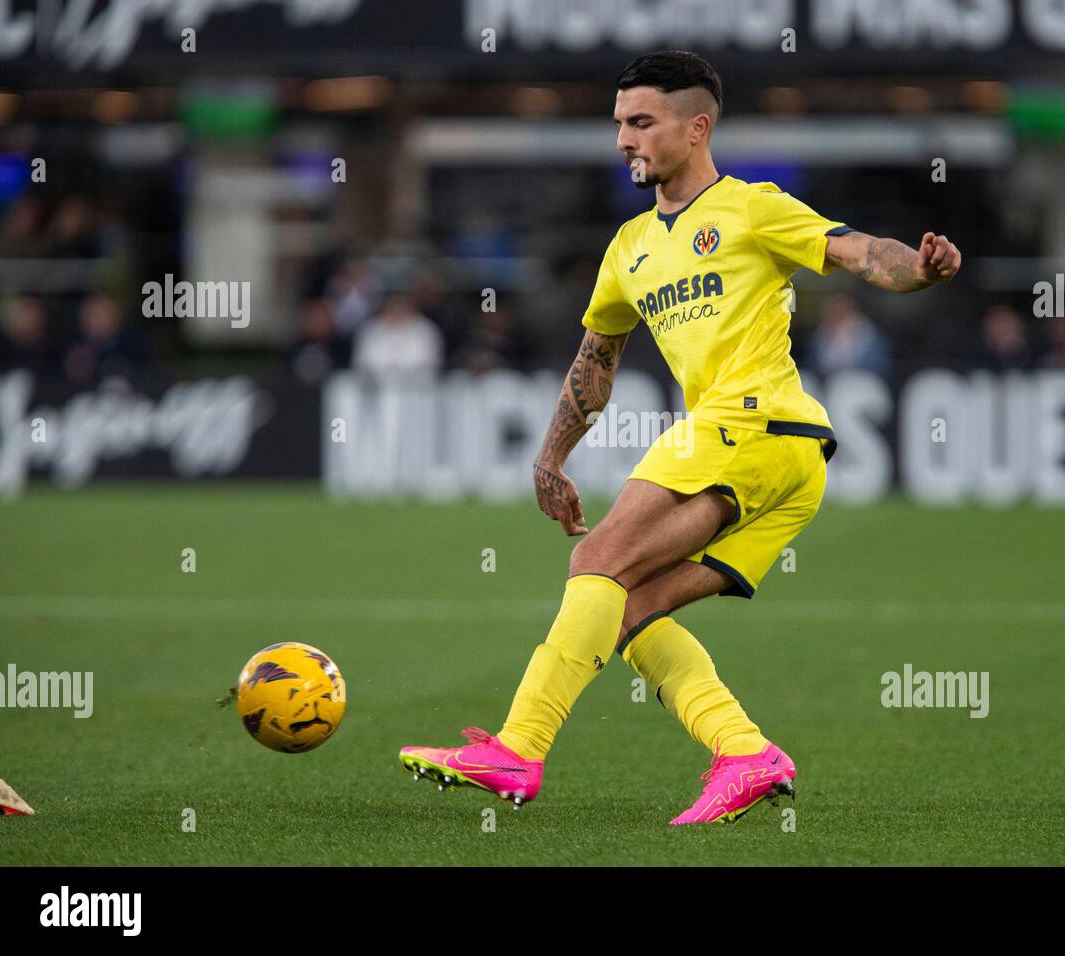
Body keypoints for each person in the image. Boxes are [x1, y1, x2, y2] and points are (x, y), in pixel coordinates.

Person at [399, 51, 961, 825]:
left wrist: (921, 270)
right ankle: (743, 751)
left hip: (752, 422)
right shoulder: (628, 248)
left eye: (642, 123)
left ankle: (518, 749)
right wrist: (550, 457)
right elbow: (595, 360)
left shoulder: (751, 207)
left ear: (696, 128)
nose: (625, 140)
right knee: (626, 610)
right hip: (783, 461)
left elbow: (861, 252)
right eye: (619, 125)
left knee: (595, 561)